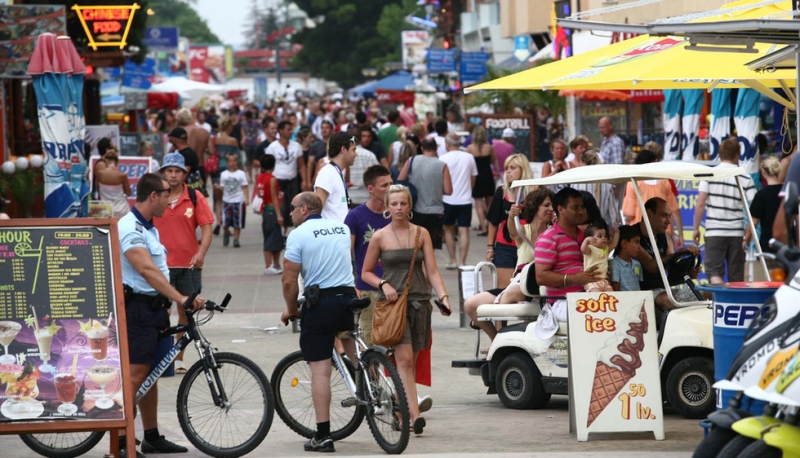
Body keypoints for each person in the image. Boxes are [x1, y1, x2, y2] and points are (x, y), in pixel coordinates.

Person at [118, 173, 205, 457]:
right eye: (167, 193)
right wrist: (179, 297)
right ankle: (119, 439)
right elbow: (146, 270)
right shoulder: (129, 227)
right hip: (137, 311)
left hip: (154, 309)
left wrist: (168, 301)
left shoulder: (150, 227)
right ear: (153, 195)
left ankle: (151, 436)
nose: (171, 199)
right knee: (136, 374)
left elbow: (157, 271)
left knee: (152, 372)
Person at [361, 184, 452, 435]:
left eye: (403, 203)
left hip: (420, 303)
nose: (399, 208)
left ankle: (400, 412)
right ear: (387, 207)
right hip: (393, 305)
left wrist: (443, 296)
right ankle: (415, 414)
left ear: (409, 206)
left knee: (410, 362)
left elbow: (432, 271)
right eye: (394, 204)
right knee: (405, 360)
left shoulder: (421, 233)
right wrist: (383, 283)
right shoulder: (380, 236)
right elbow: (366, 272)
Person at [279, 192, 357, 453]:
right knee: (353, 347)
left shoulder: (298, 234)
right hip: (347, 299)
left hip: (320, 303)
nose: (289, 213)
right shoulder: (342, 228)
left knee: (320, 371)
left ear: (303, 209)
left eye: (291, 208)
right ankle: (371, 386)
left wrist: (291, 310)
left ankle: (323, 435)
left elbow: (289, 280)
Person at [464, 186, 555, 342]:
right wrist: (512, 215)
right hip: (518, 284)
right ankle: (497, 341)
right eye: (546, 205)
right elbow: (513, 232)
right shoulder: (522, 231)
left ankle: (501, 331)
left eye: (552, 206)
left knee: (513, 292)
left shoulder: (553, 232)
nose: (551, 209)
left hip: (538, 287)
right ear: (535, 206)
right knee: (470, 304)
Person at [153, 153, 213, 374]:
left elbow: (207, 226)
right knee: (162, 312)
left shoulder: (195, 197)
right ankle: (162, 356)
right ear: (163, 173)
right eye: (169, 170)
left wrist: (201, 252)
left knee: (186, 311)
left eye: (177, 171)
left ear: (184, 173)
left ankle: (178, 358)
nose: (173, 175)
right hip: (160, 266)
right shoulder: (155, 197)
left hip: (189, 265)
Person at [534, 187, 603, 339]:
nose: (581, 212)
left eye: (582, 207)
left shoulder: (586, 236)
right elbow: (541, 277)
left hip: (589, 295)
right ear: (561, 209)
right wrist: (575, 278)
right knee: (599, 311)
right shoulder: (549, 238)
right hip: (562, 302)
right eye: (575, 208)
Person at [693, 137, 756, 283]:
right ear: (736, 155)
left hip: (714, 231)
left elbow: (700, 203)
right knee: (736, 275)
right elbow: (755, 207)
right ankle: (735, 304)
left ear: (719, 154)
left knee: (713, 270)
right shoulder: (745, 177)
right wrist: (749, 232)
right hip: (737, 232)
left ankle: (719, 301)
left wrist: (696, 228)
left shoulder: (709, 175)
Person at [344, 166, 393, 347]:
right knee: (371, 343)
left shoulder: (397, 213)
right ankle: (371, 376)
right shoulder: (355, 216)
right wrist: (350, 282)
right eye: (384, 185)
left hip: (396, 287)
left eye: (391, 183)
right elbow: (346, 253)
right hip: (368, 288)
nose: (390, 188)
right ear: (370, 189)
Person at [633, 197, 701, 313]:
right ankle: (678, 330)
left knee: (711, 294)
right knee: (666, 299)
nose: (668, 221)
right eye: (664, 215)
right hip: (641, 294)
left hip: (663, 291)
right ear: (649, 214)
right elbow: (651, 266)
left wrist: (687, 272)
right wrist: (678, 254)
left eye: (669, 216)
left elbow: (672, 267)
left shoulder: (665, 237)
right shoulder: (632, 236)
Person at [486, 154, 534, 289]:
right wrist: (490, 248)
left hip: (528, 243)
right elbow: (493, 221)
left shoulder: (535, 191)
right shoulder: (501, 191)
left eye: (513, 168)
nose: (508, 171)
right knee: (504, 288)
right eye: (507, 168)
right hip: (505, 244)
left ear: (523, 169)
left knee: (526, 286)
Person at [397, 138, 453, 250]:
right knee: (430, 246)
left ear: (421, 148)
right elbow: (448, 191)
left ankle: (417, 266)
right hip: (435, 211)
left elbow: (400, 181)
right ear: (436, 149)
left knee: (415, 244)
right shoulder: (442, 165)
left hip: (416, 210)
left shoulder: (411, 160)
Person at [622, 149, 683, 248]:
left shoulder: (633, 183)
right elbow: (675, 210)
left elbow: (629, 215)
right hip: (663, 232)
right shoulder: (665, 182)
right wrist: (680, 235)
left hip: (640, 234)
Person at [440, 132, 478, 269]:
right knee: (464, 231)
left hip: (448, 199)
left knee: (448, 230)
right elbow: (473, 178)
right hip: (465, 199)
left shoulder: (442, 158)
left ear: (448, 144)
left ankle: (452, 260)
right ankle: (463, 262)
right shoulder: (469, 157)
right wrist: (469, 189)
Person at [266, 120, 307, 230]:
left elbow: (302, 165)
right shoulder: (272, 147)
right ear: (281, 131)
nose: (291, 132)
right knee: (280, 207)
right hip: (277, 181)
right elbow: (267, 166)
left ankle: (290, 229)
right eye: (288, 129)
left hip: (292, 180)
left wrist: (304, 180)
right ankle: (281, 230)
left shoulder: (296, 146)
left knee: (293, 206)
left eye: (291, 129)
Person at [315, 132, 358, 222]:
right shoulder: (327, 173)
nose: (356, 154)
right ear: (343, 149)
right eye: (353, 150)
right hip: (332, 234)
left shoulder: (336, 172)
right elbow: (316, 211)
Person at [744, 155, 782, 254]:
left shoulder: (761, 195)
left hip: (768, 243)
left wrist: (746, 240)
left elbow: (753, 223)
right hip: (787, 243)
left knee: (770, 269)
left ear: (763, 173)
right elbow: (796, 218)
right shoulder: (787, 192)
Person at [211, 116, 242, 235]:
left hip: (216, 171)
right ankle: (227, 224)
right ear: (229, 126)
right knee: (229, 197)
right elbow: (238, 158)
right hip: (229, 170)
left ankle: (219, 221)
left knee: (218, 199)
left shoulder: (214, 139)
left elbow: (211, 152)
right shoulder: (232, 140)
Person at [255, 154, 284, 275]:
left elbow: (259, 193)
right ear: (273, 165)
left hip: (265, 210)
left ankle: (275, 264)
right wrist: (279, 215)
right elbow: (274, 197)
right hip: (272, 211)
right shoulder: (272, 179)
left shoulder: (260, 177)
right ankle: (270, 265)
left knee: (269, 237)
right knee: (274, 238)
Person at [468, 126, 499, 235]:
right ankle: (490, 226)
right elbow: (493, 161)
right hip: (487, 176)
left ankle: (483, 228)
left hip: (476, 177)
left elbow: (469, 164)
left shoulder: (470, 148)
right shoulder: (489, 147)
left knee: (479, 203)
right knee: (489, 203)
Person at [216, 153, 249, 248]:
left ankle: (236, 239)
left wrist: (247, 198)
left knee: (237, 222)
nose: (232, 163)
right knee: (225, 222)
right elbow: (222, 187)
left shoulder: (241, 174)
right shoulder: (224, 174)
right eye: (230, 161)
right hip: (226, 201)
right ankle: (226, 233)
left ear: (237, 162)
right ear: (227, 162)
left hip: (238, 201)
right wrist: (218, 188)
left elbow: (245, 187)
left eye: (234, 160)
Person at [94, 145, 131, 218]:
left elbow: (99, 192)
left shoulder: (99, 174)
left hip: (105, 209)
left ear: (105, 161)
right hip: (121, 209)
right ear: (117, 162)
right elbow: (128, 193)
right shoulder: (122, 176)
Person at [176, 109, 210, 186]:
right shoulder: (204, 131)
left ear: (182, 119)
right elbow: (211, 151)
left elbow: (172, 149)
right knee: (199, 196)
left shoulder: (182, 132)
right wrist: (202, 147)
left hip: (185, 167)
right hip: (200, 167)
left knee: (184, 195)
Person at [581, 222, 612, 292]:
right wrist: (586, 240)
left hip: (605, 281)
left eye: (605, 236)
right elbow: (583, 250)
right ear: (590, 239)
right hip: (593, 282)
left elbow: (614, 244)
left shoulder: (605, 248)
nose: (604, 238)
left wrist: (617, 233)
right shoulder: (590, 248)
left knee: (612, 297)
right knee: (597, 298)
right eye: (600, 236)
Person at [611, 225, 643, 292]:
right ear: (624, 244)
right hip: (624, 300)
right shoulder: (615, 264)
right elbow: (616, 288)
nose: (639, 247)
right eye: (636, 242)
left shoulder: (637, 264)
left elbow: (640, 284)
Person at [307, 120, 333, 184]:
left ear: (331, 130)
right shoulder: (315, 145)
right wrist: (308, 181)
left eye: (327, 128)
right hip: (318, 176)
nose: (324, 130)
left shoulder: (335, 145)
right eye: (322, 128)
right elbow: (310, 164)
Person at [241, 110, 262, 180]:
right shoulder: (243, 124)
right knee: (249, 161)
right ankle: (250, 177)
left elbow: (261, 129)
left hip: (255, 143)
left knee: (255, 160)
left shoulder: (256, 122)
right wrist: (243, 138)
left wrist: (259, 137)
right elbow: (243, 131)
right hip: (248, 143)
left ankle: (256, 174)